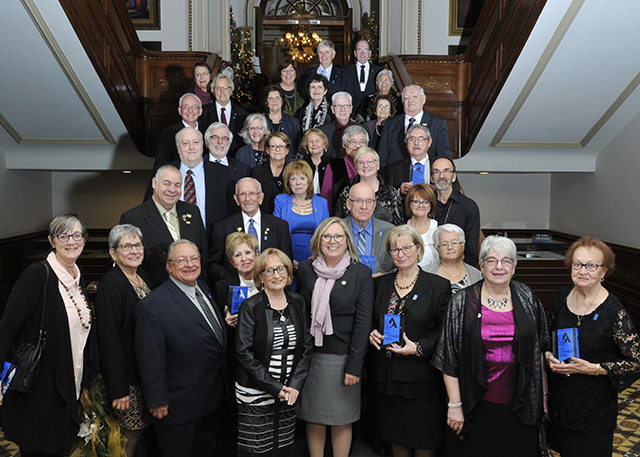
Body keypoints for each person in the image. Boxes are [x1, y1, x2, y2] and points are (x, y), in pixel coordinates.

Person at [433, 235, 549, 457]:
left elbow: (540, 349)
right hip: (474, 404)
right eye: (492, 260)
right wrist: (454, 405)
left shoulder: (527, 297)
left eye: (506, 261)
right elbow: (449, 357)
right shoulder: (462, 301)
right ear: (481, 265)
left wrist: (542, 396)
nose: (499, 267)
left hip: (521, 402)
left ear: (514, 267)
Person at [0, 213, 99, 457]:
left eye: (77, 235)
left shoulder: (77, 275)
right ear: (51, 240)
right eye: (63, 235)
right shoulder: (38, 274)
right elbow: (8, 327)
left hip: (68, 382)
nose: (71, 241)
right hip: (40, 389)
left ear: (84, 240)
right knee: (40, 449)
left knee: (60, 447)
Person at [545, 236, 640, 457]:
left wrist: (594, 368)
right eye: (577, 264)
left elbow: (635, 362)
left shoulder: (614, 312)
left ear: (604, 271)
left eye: (591, 266)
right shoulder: (561, 296)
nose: (582, 271)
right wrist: (549, 354)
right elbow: (549, 336)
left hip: (594, 411)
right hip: (561, 402)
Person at [136, 239, 229, 457]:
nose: (189, 264)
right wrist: (157, 400)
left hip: (209, 399)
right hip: (178, 406)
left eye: (193, 258)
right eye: (181, 260)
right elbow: (150, 359)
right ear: (169, 266)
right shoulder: (152, 306)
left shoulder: (203, 288)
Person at [369, 225, 450, 457]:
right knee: (396, 439)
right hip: (387, 380)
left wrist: (419, 347)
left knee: (424, 439)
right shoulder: (379, 285)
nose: (401, 253)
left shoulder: (437, 286)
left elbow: (445, 331)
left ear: (418, 249)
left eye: (406, 247)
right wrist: (371, 333)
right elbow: (370, 321)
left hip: (421, 380)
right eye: (395, 249)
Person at [296, 217, 374, 457]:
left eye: (338, 236)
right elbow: (301, 312)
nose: (333, 241)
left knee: (342, 419)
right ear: (318, 241)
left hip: (343, 360)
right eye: (327, 236)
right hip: (312, 357)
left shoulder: (361, 273)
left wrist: (354, 365)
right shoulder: (307, 269)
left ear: (347, 241)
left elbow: (363, 323)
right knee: (314, 416)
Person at [235, 248, 313, 456]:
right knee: (257, 449)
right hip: (256, 392)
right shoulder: (251, 306)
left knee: (283, 446)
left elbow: (306, 345)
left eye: (281, 268)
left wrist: (294, 385)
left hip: (289, 392)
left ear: (288, 272)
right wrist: (274, 387)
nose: (276, 275)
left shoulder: (298, 302)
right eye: (269, 270)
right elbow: (244, 352)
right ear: (260, 276)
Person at [95, 224, 151, 456]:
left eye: (137, 245)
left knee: (141, 432)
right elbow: (109, 340)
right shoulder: (111, 285)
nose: (134, 251)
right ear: (113, 252)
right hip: (127, 379)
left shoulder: (142, 275)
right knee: (131, 433)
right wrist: (119, 390)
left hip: (143, 371)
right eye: (126, 246)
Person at [120, 164, 209, 289]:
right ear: (154, 183)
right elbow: (129, 265)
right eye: (167, 184)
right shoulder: (133, 218)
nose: (172, 190)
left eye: (177, 185)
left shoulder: (192, 211)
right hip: (155, 292)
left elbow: (203, 253)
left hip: (193, 289)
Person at [144, 127, 234, 236]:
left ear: (202, 146)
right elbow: (148, 209)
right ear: (178, 148)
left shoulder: (224, 173)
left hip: (213, 244)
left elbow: (233, 212)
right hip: (170, 243)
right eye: (185, 143)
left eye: (196, 142)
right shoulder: (162, 172)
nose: (191, 147)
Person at [208, 177, 293, 283]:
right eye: (243, 194)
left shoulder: (280, 226)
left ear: (260, 197)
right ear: (236, 199)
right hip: (237, 289)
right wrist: (237, 281)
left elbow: (286, 263)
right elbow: (213, 265)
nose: (247, 199)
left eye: (252, 193)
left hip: (271, 287)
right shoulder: (221, 227)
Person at [378, 84, 452, 167]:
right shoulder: (390, 124)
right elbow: (382, 156)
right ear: (402, 101)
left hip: (427, 176)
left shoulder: (437, 124)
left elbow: (444, 155)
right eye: (406, 98)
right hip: (395, 176)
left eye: (415, 96)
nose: (410, 100)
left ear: (423, 99)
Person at [274, 160, 329, 271]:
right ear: (288, 182)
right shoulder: (280, 200)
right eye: (293, 179)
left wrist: (316, 257)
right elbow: (276, 234)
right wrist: (288, 259)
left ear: (309, 181)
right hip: (287, 254)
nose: (298, 183)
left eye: (302, 178)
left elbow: (325, 234)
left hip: (315, 255)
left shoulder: (322, 202)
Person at [431, 157, 480, 267]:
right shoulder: (425, 205)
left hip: (458, 269)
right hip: (429, 269)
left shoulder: (469, 206)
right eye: (436, 172)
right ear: (432, 178)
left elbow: (471, 249)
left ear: (454, 177)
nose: (441, 176)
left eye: (446, 171)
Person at [335, 147, 403, 225]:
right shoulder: (346, 192)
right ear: (356, 168)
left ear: (378, 165)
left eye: (370, 161)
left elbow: (399, 224)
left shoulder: (390, 192)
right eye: (360, 162)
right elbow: (339, 222)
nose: (365, 165)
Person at [342, 182, 395, 276]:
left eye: (369, 201)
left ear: (374, 205)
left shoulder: (391, 231)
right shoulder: (337, 229)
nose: (364, 206)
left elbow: (400, 267)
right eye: (358, 201)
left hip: (380, 286)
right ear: (348, 204)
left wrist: (386, 278)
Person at [320, 125, 369, 214]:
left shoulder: (372, 165)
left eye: (362, 142)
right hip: (341, 218)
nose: (358, 146)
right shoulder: (333, 166)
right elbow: (326, 199)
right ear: (344, 144)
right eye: (353, 142)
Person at [423, 224, 482, 294]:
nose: (450, 247)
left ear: (463, 246)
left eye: (454, 243)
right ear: (437, 249)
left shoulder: (477, 276)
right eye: (444, 244)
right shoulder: (424, 272)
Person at [200, 73, 248, 155]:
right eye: (218, 88)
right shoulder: (202, 112)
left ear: (231, 90)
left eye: (225, 87)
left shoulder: (243, 114)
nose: (222, 91)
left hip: (235, 159)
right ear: (213, 91)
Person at [154, 93, 204, 167]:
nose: (190, 111)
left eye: (194, 107)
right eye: (186, 107)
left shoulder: (207, 131)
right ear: (180, 110)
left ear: (200, 111)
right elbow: (161, 164)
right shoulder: (168, 133)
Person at [386, 125, 435, 195]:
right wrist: (399, 192)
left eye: (421, 139)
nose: (416, 143)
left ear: (429, 142)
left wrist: (437, 191)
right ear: (406, 143)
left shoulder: (438, 166)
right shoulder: (394, 169)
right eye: (412, 139)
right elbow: (387, 197)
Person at [250, 131, 290, 214]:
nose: (277, 149)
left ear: (287, 150)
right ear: (267, 150)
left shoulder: (293, 172)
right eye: (273, 146)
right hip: (264, 218)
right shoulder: (256, 173)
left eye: (282, 146)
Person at [405, 184, 439, 268]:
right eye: (416, 201)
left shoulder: (437, 229)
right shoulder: (402, 230)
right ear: (409, 203)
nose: (421, 205)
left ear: (431, 205)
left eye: (426, 202)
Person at [344, 39, 383, 115]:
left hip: (372, 115)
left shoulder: (379, 71)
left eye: (365, 49)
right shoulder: (346, 71)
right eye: (359, 49)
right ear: (355, 53)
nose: (362, 53)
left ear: (369, 53)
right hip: (351, 114)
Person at [263, 85, 301, 154]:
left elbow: (298, 148)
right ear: (266, 102)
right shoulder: (261, 122)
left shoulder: (293, 122)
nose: (274, 100)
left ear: (282, 100)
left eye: (277, 97)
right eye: (271, 98)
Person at [320, 91, 358, 159]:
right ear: (332, 109)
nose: (342, 109)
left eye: (346, 106)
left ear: (351, 109)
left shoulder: (362, 130)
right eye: (338, 106)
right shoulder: (322, 132)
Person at [293, 128, 331, 194]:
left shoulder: (332, 164)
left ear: (324, 145)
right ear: (307, 146)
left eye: (317, 141)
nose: (314, 144)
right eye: (310, 141)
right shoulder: (301, 164)